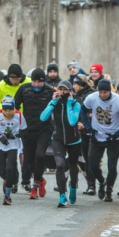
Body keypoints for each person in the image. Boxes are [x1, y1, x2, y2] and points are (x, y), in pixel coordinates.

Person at [83, 79, 119, 202]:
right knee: (92, 164)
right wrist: (89, 128)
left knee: (112, 167)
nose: (102, 95)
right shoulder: (91, 98)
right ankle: (102, 182)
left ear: (110, 91)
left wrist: (118, 133)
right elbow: (83, 111)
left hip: (113, 137)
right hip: (97, 136)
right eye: (100, 92)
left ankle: (109, 190)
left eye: (105, 92)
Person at [14, 68, 55, 200]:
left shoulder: (50, 91)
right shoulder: (24, 89)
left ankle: (35, 187)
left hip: (44, 128)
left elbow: (58, 107)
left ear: (44, 81)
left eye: (40, 82)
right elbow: (15, 106)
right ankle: (40, 179)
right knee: (29, 159)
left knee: (40, 155)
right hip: (27, 128)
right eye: (35, 82)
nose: (37, 85)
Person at [40, 80, 82, 208]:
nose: (62, 92)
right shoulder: (55, 103)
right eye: (60, 89)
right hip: (58, 139)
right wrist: (52, 102)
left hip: (74, 140)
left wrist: (69, 103)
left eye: (65, 89)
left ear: (70, 91)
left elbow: (72, 121)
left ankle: (73, 186)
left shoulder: (76, 104)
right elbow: (42, 117)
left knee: (73, 166)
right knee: (59, 165)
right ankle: (62, 194)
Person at [0, 64, 32, 191]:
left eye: (17, 79)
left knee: (25, 153)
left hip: (23, 119)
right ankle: (13, 180)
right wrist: (7, 109)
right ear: (8, 77)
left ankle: (26, 180)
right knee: (12, 154)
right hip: (8, 119)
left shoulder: (28, 82)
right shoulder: (1, 85)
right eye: (12, 79)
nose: (15, 81)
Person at [0, 96, 27, 205]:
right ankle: (8, 180)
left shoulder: (19, 115)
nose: (8, 112)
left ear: (14, 108)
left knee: (10, 168)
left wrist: (14, 136)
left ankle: (7, 195)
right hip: (0, 145)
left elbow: (24, 131)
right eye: (6, 110)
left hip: (13, 145)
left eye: (10, 110)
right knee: (2, 171)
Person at [72, 74, 96, 195]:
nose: (73, 86)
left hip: (92, 131)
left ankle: (95, 184)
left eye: (75, 84)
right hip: (80, 131)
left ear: (81, 85)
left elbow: (93, 113)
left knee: (91, 158)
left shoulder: (92, 95)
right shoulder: (76, 96)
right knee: (84, 158)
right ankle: (89, 184)